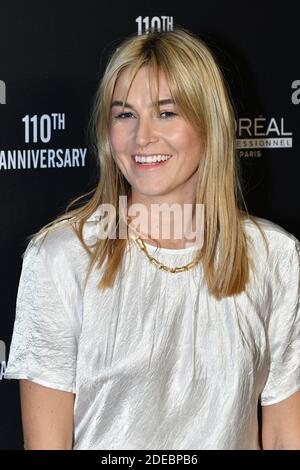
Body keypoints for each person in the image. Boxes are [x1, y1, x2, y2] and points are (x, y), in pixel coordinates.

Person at [5, 27, 300, 450]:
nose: (143, 137)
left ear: (208, 121)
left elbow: (284, 434)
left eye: (166, 113)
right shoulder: (62, 257)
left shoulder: (275, 257)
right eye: (125, 114)